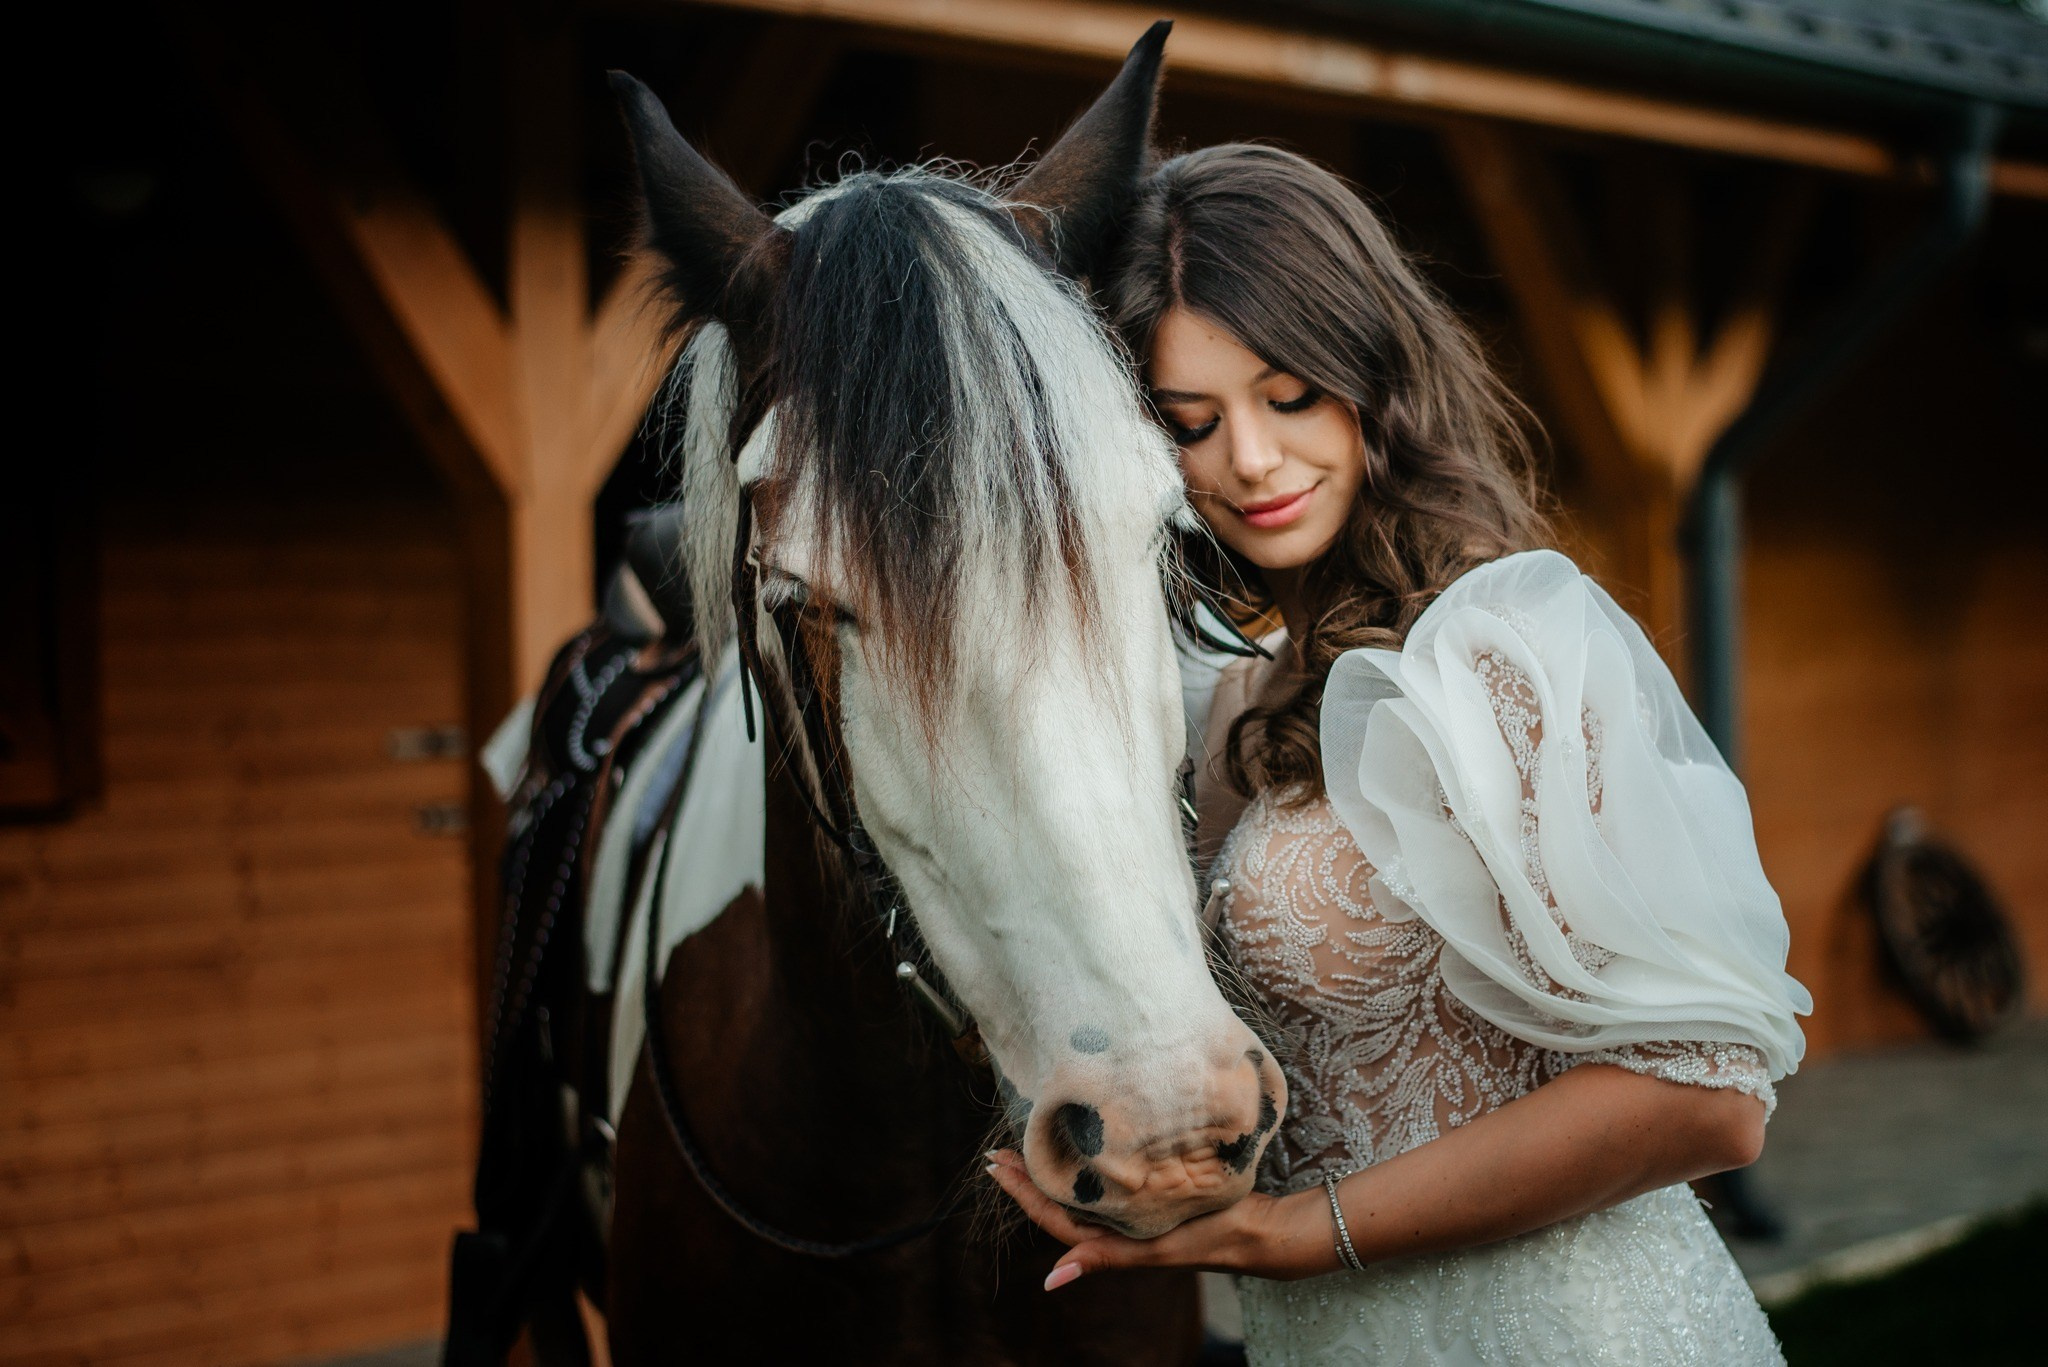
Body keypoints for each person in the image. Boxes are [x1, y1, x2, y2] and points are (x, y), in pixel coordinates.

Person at [987, 143, 1812, 1365]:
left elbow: (1703, 1099)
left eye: (1287, 395)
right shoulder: (1228, 702)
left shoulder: (1498, 647)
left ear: (1370, 377)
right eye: (1190, 423)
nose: (1248, 463)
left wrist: (1287, 1237)